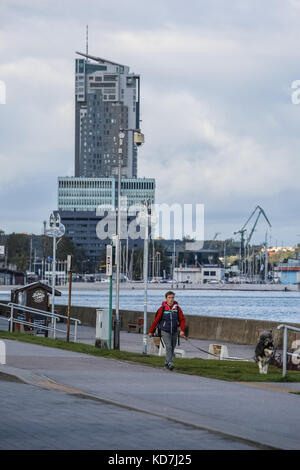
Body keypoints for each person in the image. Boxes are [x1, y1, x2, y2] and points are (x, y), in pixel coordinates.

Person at [149, 291, 186, 370]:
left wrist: (182, 330)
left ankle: (167, 363)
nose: (171, 299)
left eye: (172, 297)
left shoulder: (177, 309)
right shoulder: (162, 308)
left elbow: (182, 319)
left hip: (175, 331)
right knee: (168, 346)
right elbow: (156, 320)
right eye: (169, 298)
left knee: (172, 347)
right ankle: (170, 362)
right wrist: (151, 331)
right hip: (165, 331)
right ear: (166, 298)